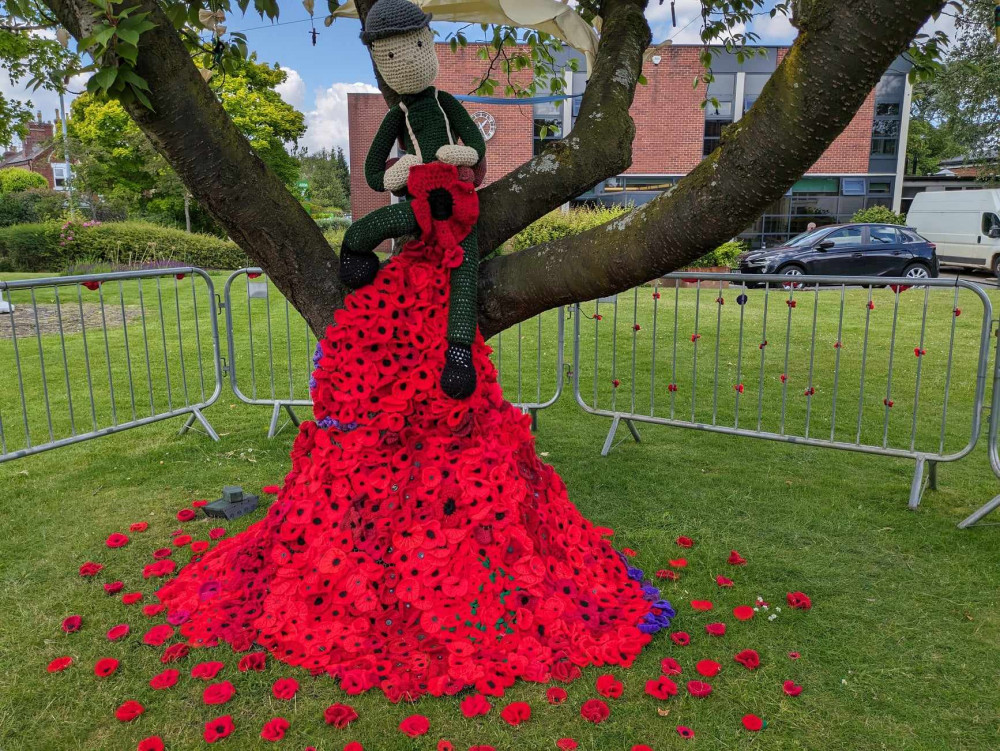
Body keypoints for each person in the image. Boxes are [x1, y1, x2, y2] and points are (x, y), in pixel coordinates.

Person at [153, 0, 674, 702]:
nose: (404, 62)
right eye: (389, 52)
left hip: (454, 212)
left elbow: (477, 159)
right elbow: (374, 174)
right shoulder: (396, 118)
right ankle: (361, 265)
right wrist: (398, 179)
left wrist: (458, 169)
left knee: (459, 271)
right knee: (366, 236)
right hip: (415, 211)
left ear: (428, 45)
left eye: (411, 47)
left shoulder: (448, 107)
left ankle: (453, 352)